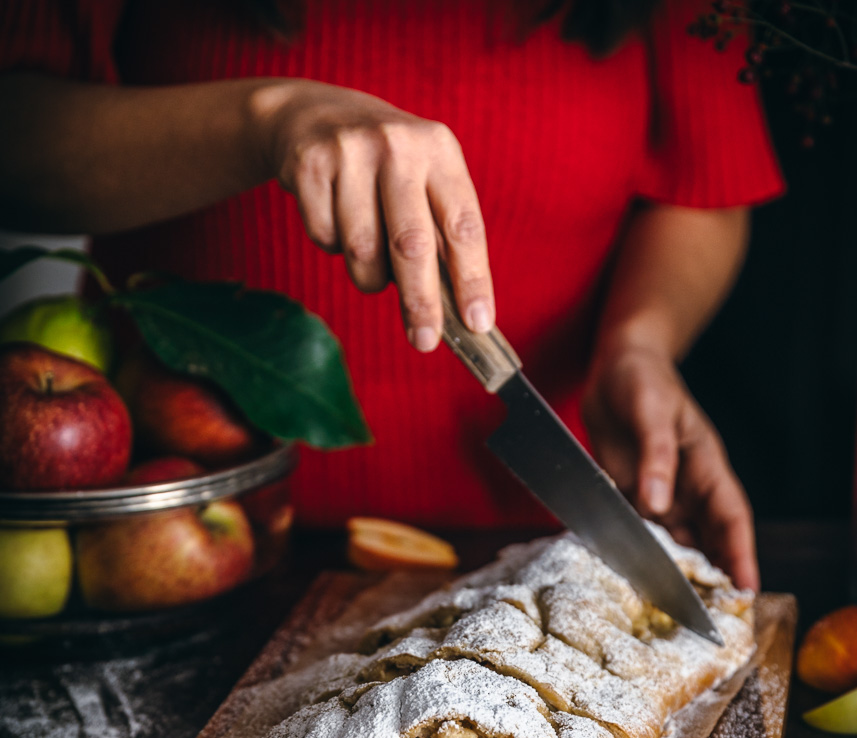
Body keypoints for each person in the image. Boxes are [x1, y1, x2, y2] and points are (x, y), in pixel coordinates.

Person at [0, 0, 783, 590]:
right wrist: (267, 119)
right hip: (169, 544)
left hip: (544, 546)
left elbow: (703, 186)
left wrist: (639, 340)